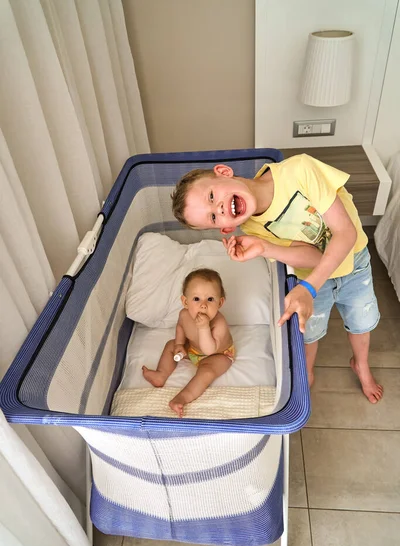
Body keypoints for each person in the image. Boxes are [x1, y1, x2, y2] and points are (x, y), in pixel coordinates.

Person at [170, 154, 383, 403]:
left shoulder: (299, 169)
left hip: (352, 264)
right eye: (213, 217)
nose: (217, 209)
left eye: (211, 197)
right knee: (309, 333)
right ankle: (307, 373)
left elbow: (346, 233)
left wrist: (309, 288)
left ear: (224, 172)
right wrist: (264, 248)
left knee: (361, 324)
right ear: (226, 229)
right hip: (311, 279)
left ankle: (361, 364)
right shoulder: (252, 227)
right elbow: (314, 258)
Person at [142, 268, 235, 417]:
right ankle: (161, 374)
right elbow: (181, 327)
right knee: (170, 345)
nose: (203, 305)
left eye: (210, 299)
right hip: (193, 350)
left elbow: (209, 350)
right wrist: (179, 344)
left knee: (207, 372)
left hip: (218, 355)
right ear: (185, 302)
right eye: (196, 299)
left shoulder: (219, 324)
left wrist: (204, 327)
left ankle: (183, 398)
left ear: (220, 302)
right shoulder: (184, 315)